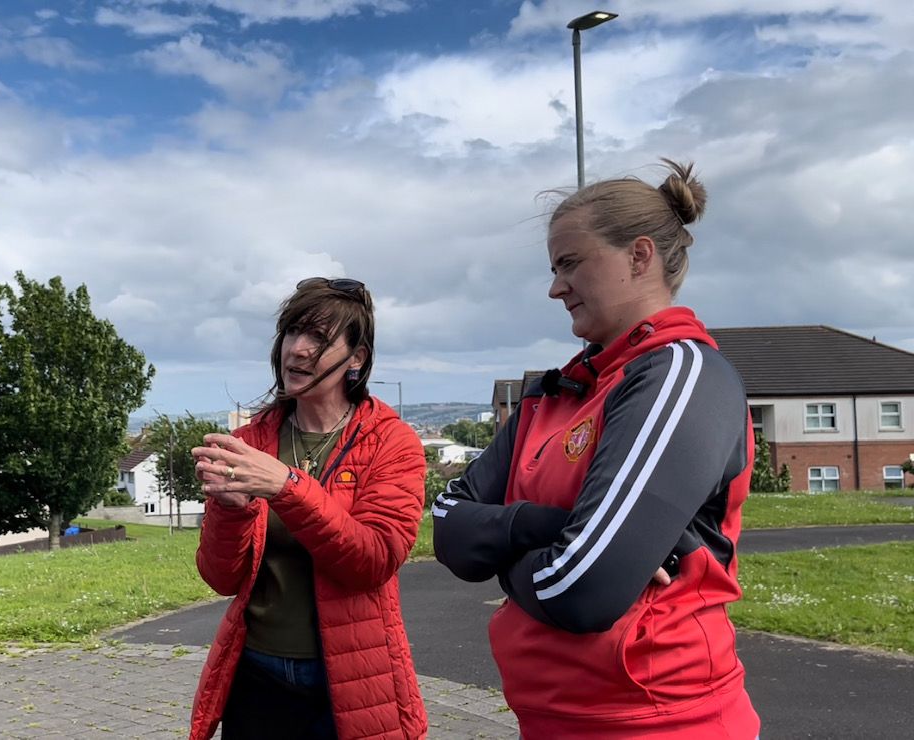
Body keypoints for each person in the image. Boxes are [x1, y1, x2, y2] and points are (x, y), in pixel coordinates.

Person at [433, 160, 760, 738]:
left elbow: (582, 591)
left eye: (570, 263)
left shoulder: (680, 376)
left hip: (658, 722)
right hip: (553, 720)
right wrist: (550, 527)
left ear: (639, 256)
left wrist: (508, 550)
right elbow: (449, 528)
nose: (555, 286)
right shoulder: (557, 392)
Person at [187, 278, 428, 739]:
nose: (296, 349)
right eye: (293, 331)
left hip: (352, 680)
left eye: (318, 337)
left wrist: (286, 486)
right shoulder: (250, 443)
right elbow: (221, 579)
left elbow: (374, 560)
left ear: (356, 358)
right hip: (256, 674)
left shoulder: (390, 442)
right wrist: (231, 511)